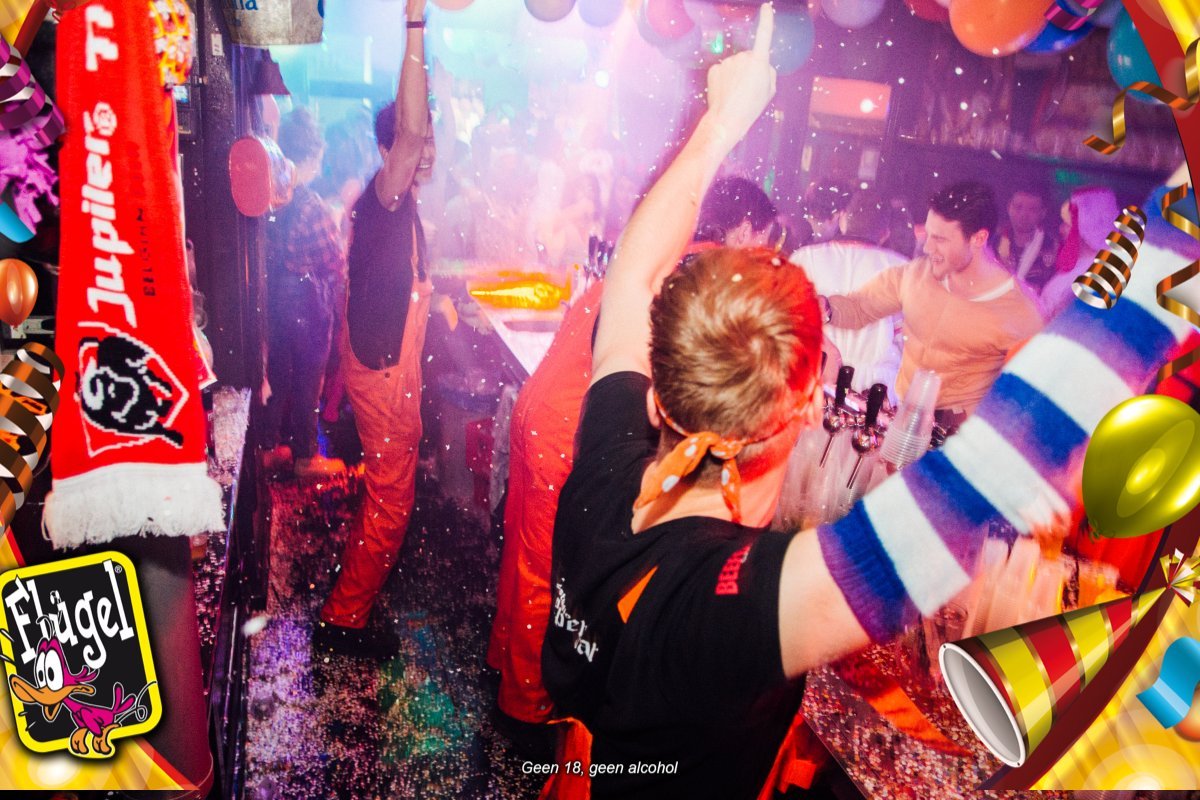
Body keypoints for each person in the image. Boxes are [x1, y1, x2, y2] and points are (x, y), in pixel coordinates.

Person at [541, 8, 1191, 797]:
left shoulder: (609, 456)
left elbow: (633, 276)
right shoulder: (729, 608)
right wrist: (1178, 237)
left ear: (660, 387)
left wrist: (721, 120)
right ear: (801, 409)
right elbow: (986, 483)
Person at [487, 174, 780, 730]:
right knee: (550, 572)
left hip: (543, 410)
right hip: (570, 427)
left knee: (524, 557)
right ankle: (526, 712)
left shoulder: (666, 253)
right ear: (744, 230)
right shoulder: (702, 277)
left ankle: (503, 666)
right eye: (765, 241)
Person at [314, 0, 435, 657]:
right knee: (391, 504)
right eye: (419, 140)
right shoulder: (384, 195)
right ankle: (343, 619)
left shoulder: (400, 204)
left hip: (392, 367)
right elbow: (410, 132)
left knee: (388, 499)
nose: (428, 150)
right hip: (384, 371)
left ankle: (351, 600)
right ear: (391, 150)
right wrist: (416, 24)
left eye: (430, 140)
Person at [819, 181, 1042, 432]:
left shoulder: (1021, 311)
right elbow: (860, 306)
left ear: (978, 238)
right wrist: (824, 307)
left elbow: (1035, 396)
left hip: (955, 440)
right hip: (900, 423)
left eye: (940, 239)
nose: (927, 247)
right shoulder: (917, 274)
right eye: (929, 234)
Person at [262, 108, 347, 478]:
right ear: (311, 156)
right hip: (308, 305)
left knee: (278, 375)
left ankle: (268, 448)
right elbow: (335, 261)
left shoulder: (271, 198)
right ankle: (305, 457)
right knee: (309, 381)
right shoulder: (313, 207)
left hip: (275, 301)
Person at [791, 189, 906, 400]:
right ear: (885, 233)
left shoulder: (805, 258)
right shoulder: (902, 269)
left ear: (843, 219)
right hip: (875, 395)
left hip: (814, 386)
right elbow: (910, 345)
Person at [994, 187, 1060, 293]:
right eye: (1018, 207)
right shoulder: (993, 242)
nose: (1024, 215)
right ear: (1009, 207)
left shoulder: (1053, 246)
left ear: (1042, 213)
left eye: (1032, 210)